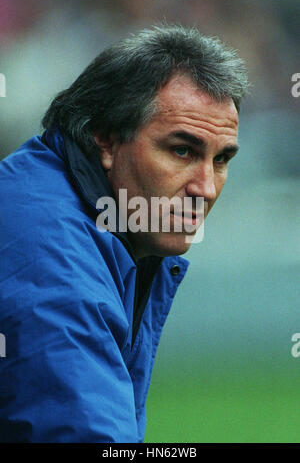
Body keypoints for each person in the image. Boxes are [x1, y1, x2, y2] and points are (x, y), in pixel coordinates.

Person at [0, 24, 248, 443]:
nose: (205, 188)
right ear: (107, 141)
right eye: (182, 150)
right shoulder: (59, 271)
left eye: (221, 159)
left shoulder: (61, 195)